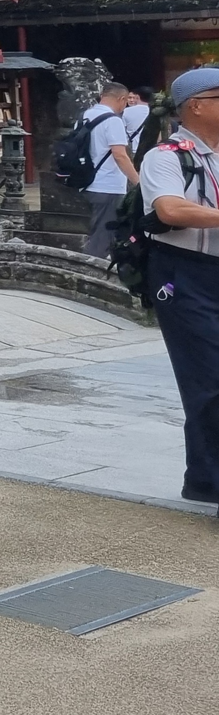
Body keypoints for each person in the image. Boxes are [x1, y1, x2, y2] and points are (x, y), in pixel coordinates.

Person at [138, 66, 219, 509]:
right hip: (184, 274)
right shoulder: (167, 156)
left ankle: (206, 478)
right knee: (207, 376)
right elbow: (170, 209)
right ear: (196, 106)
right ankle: (208, 480)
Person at [77, 81, 140, 257]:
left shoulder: (84, 116)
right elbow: (120, 155)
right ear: (122, 99)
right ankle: (92, 270)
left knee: (94, 233)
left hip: (87, 182)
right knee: (103, 237)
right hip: (108, 185)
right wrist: (138, 182)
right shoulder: (113, 120)